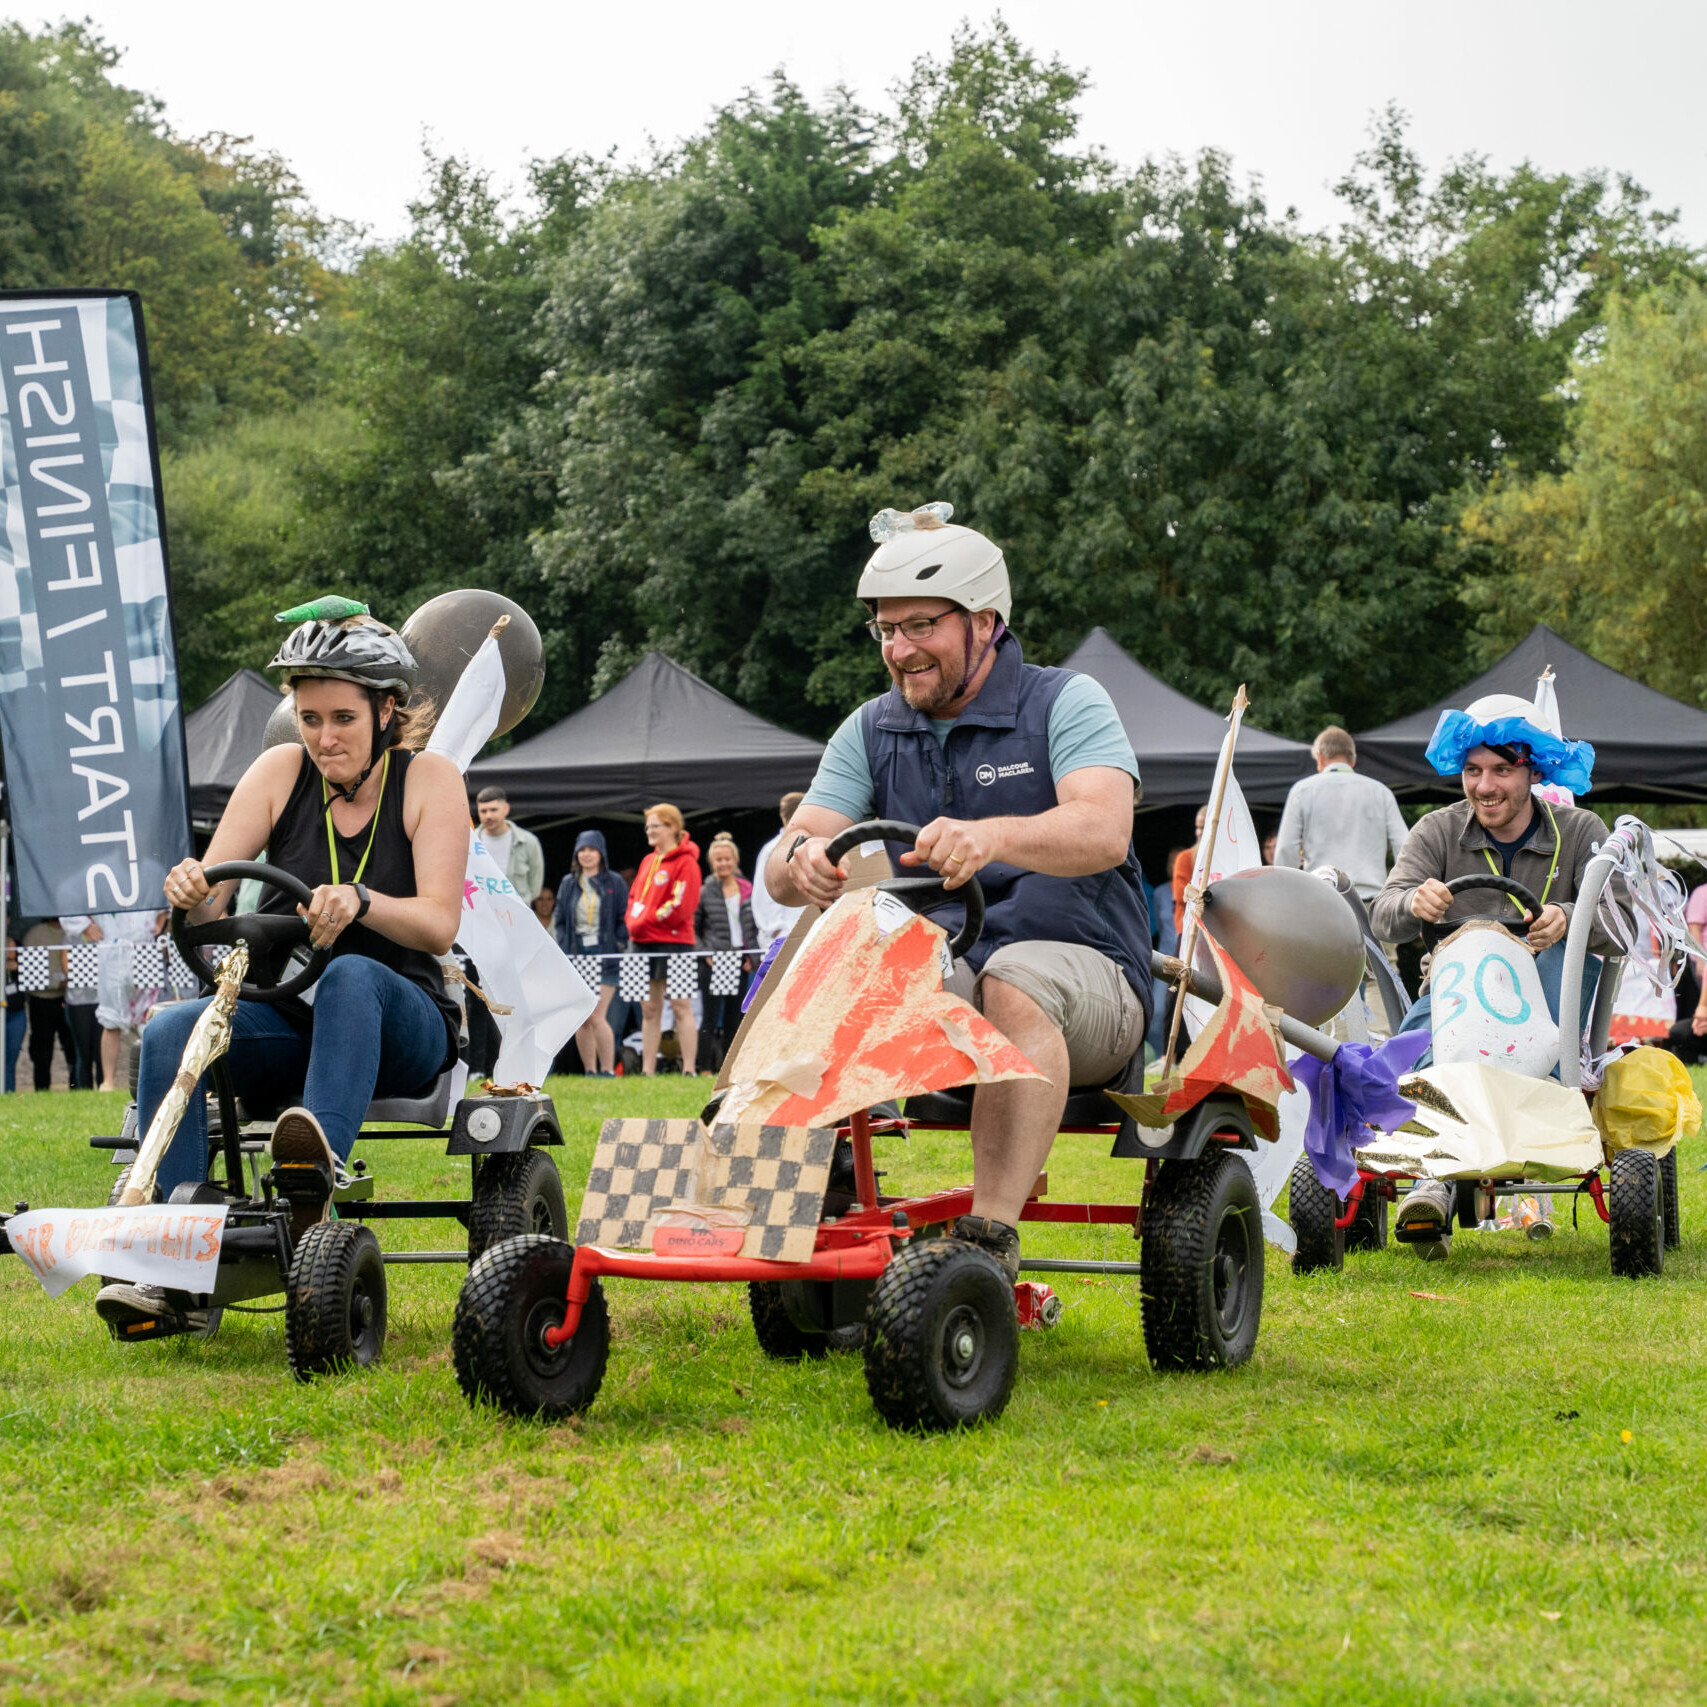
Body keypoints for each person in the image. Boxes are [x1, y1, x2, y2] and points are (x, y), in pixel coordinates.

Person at [765, 501, 1150, 1281]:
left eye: (918, 626)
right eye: (884, 630)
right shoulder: (871, 728)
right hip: (946, 971)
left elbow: (1104, 829)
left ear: (982, 621)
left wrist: (995, 835)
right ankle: (801, 1198)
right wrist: (800, 859)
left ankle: (987, 1240)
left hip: (1089, 974)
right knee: (826, 959)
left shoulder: (1065, 703)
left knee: (1013, 978)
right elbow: (788, 852)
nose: (899, 649)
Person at [94, 602, 467, 1332]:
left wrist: (360, 901)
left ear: (387, 710)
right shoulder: (278, 770)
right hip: (295, 1013)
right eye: (308, 717)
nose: (323, 737)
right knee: (174, 1026)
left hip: (403, 1024)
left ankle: (309, 1187)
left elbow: (438, 921)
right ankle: (175, 1254)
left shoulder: (429, 779)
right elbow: (214, 899)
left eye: (343, 718)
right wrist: (191, 892)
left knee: (354, 975)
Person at [1370, 691, 1611, 1259]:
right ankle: (1433, 1175)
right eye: (1472, 770)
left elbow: (1624, 916)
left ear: (1533, 770)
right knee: (1423, 1031)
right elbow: (1384, 912)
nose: (1485, 786)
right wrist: (1414, 904)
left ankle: (1438, 1169)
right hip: (1456, 986)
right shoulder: (1435, 830)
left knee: (1554, 960)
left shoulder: (1579, 831)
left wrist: (1571, 918)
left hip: (1548, 1000)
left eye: (1502, 770)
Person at [1273, 727, 1409, 898]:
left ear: (1320, 757)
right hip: (1371, 900)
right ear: (1352, 760)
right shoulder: (1381, 792)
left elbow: (1286, 848)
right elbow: (1404, 845)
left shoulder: (1302, 791)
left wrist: (1287, 894)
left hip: (1321, 898)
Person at [626, 803, 702, 1075]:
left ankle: (690, 1068)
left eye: (655, 826)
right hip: (642, 941)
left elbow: (681, 906)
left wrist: (644, 920)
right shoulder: (648, 861)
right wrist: (632, 922)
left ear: (671, 827)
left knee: (681, 1005)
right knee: (648, 1007)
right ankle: (647, 1069)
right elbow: (634, 897)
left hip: (676, 942)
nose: (649, 831)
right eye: (647, 826)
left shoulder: (686, 862)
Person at [555, 828, 628, 1076]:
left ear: (601, 853)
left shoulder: (615, 882)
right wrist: (564, 952)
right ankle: (590, 1070)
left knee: (597, 1014)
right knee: (581, 1017)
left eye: (591, 849)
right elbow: (561, 921)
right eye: (582, 850)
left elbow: (623, 919)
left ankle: (607, 1069)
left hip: (605, 955)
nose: (586, 854)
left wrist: (619, 944)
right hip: (576, 954)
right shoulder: (568, 883)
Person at [694, 831, 758, 1070]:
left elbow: (753, 926)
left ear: (735, 860)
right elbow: (693, 927)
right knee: (710, 1017)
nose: (723, 864)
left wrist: (752, 957)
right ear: (712, 862)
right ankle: (705, 1067)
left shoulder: (747, 888)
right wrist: (705, 953)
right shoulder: (705, 890)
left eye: (727, 859)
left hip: (740, 960)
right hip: (714, 960)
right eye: (719, 860)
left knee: (735, 1017)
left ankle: (730, 1068)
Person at [21, 921, 76, 1091]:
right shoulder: (34, 934)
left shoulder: (74, 932)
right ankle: (41, 1089)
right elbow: (28, 973)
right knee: (41, 1051)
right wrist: (55, 983)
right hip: (42, 1001)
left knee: (72, 1048)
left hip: (68, 999)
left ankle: (77, 1087)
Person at [751, 792, 807, 947]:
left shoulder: (813, 845)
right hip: (783, 939)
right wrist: (778, 932)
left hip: (807, 935)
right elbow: (762, 897)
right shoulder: (771, 850)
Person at [474, 786, 544, 903]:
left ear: (506, 809)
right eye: (483, 811)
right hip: (482, 913)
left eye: (493, 810)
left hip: (517, 914)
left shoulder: (528, 842)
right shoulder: (470, 843)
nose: (488, 816)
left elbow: (535, 887)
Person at [57, 915, 102, 1088]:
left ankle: (103, 1088)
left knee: (100, 1052)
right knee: (83, 1052)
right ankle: (84, 1089)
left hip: (101, 999)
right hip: (78, 1001)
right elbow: (66, 966)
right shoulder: (70, 937)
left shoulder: (104, 932)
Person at [1171, 807, 1205, 937]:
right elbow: (1181, 895)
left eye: (1203, 827)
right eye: (1198, 827)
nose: (1199, 833)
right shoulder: (1185, 857)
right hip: (1188, 931)